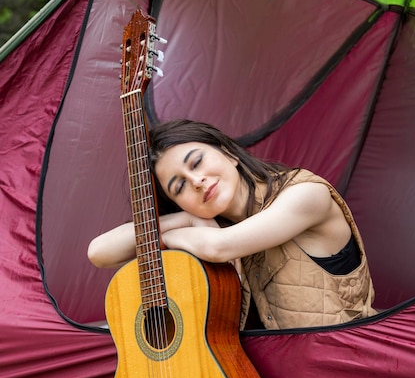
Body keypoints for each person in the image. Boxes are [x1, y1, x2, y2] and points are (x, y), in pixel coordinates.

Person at [88, 119, 376, 330]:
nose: (196, 181)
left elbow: (219, 247)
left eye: (197, 162)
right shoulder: (205, 227)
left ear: (230, 153)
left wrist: (178, 231)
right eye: (179, 187)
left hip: (346, 369)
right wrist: (187, 218)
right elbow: (99, 252)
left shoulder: (306, 194)